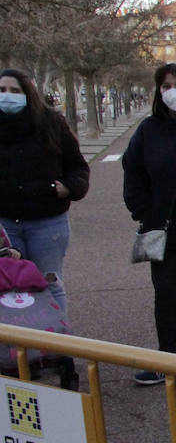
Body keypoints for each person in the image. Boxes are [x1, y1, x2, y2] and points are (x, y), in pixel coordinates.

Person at [122, 63, 176, 385]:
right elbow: (133, 171)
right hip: (166, 232)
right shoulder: (149, 130)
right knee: (166, 298)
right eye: (166, 85)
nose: (173, 91)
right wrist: (143, 212)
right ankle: (166, 360)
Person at [0, 68, 90, 314]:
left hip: (47, 223)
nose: (8, 96)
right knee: (9, 288)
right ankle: (18, 348)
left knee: (50, 283)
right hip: (5, 224)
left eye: (14, 91)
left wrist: (69, 188)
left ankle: (57, 346)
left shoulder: (51, 124)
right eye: (2, 90)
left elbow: (78, 166)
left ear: (28, 93)